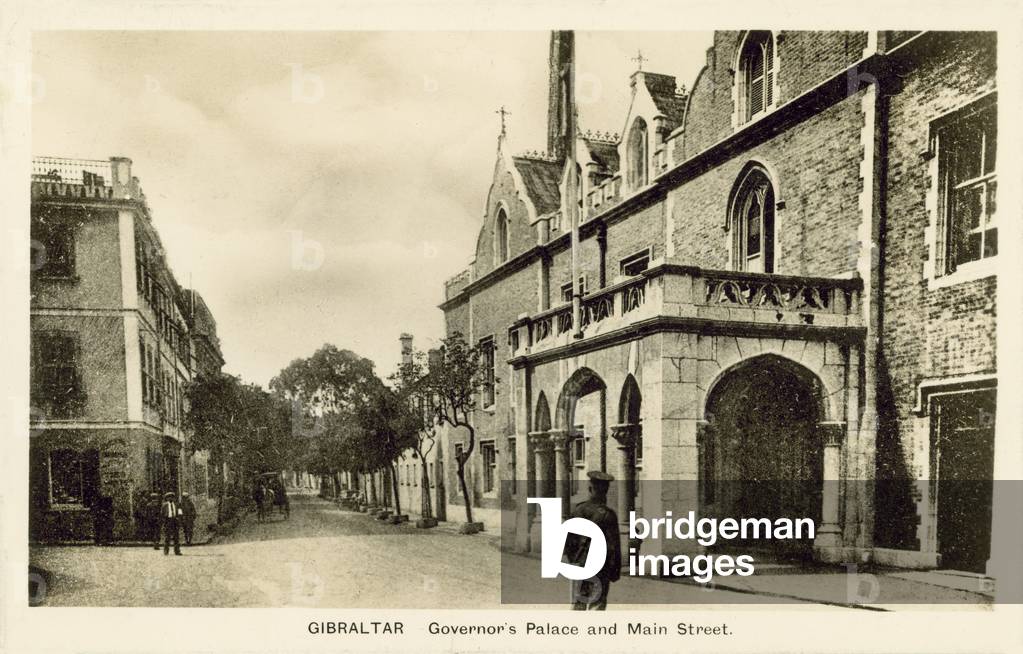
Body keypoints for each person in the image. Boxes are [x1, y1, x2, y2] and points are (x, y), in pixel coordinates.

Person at [565, 471, 621, 610]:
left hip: (580, 565)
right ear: (606, 491)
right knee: (597, 605)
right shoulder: (609, 515)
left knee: (578, 604)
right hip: (601, 567)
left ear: (590, 489)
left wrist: (574, 562)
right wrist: (615, 570)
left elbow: (568, 542)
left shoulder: (579, 510)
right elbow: (614, 546)